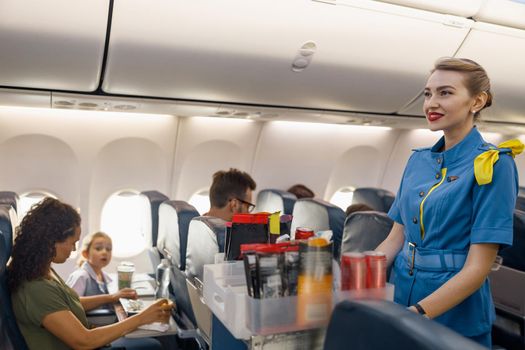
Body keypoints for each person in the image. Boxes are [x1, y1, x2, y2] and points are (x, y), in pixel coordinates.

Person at [376, 57, 523, 348]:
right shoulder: (417, 160)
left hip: (453, 309)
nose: (431, 103)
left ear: (477, 101)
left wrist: (417, 313)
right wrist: (354, 276)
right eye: (428, 93)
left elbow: (478, 267)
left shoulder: (494, 165)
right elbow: (396, 238)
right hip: (400, 290)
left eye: (445, 93)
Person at [8, 198, 173, 350]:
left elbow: (68, 303)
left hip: (87, 338)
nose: (74, 249)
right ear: (52, 240)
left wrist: (112, 297)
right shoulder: (36, 288)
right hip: (85, 343)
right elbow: (84, 341)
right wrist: (142, 318)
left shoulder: (43, 269)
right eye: (73, 243)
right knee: (152, 346)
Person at [66, 231, 137, 310]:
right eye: (98, 248)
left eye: (108, 249)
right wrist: (111, 297)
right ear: (86, 254)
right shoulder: (81, 276)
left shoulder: (104, 276)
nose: (104, 252)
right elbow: (72, 303)